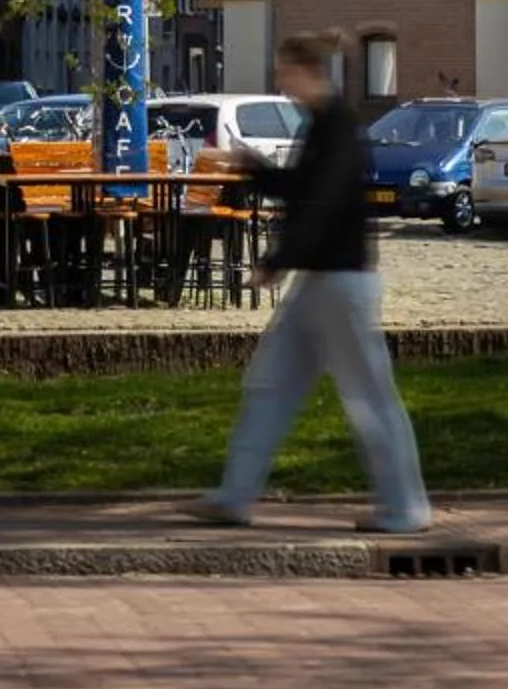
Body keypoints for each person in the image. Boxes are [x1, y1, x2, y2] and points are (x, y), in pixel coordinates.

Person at [186, 30, 433, 535]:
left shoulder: (337, 126)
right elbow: (305, 191)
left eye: (284, 71)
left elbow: (319, 203)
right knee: (270, 383)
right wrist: (256, 170)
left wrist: (277, 259)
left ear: (307, 71)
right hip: (322, 279)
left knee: (368, 396)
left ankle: (406, 508)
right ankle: (234, 496)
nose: (279, 81)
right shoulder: (323, 124)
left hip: (340, 280)